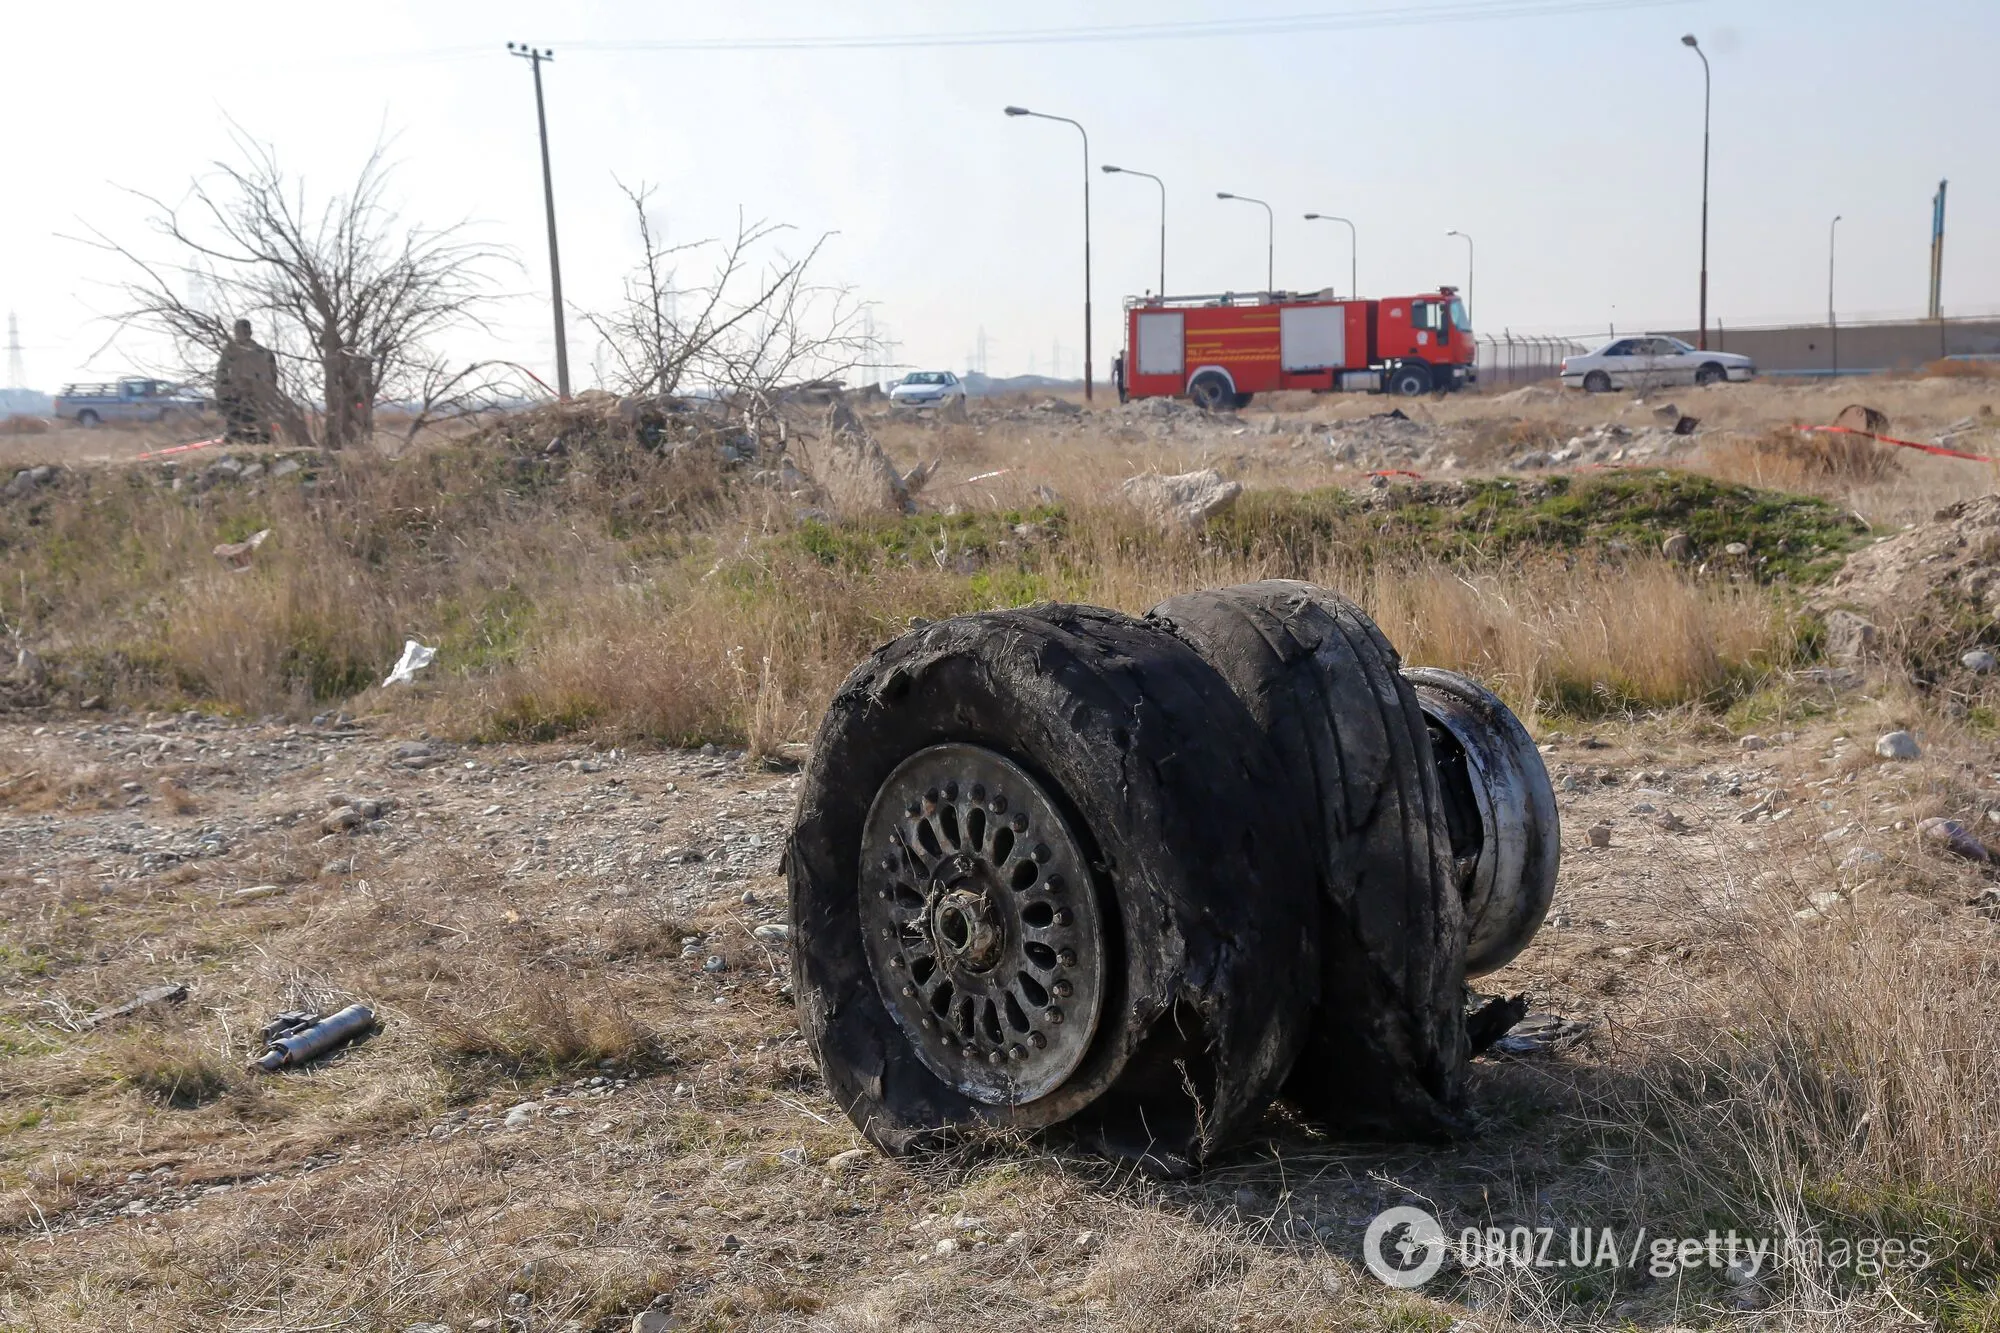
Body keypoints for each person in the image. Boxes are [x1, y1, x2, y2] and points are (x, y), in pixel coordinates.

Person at [215, 319, 279, 443]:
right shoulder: (263, 352)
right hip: (248, 398)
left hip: (247, 397)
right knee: (255, 430)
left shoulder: (232, 352)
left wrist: (222, 396)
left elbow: (221, 376)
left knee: (244, 431)